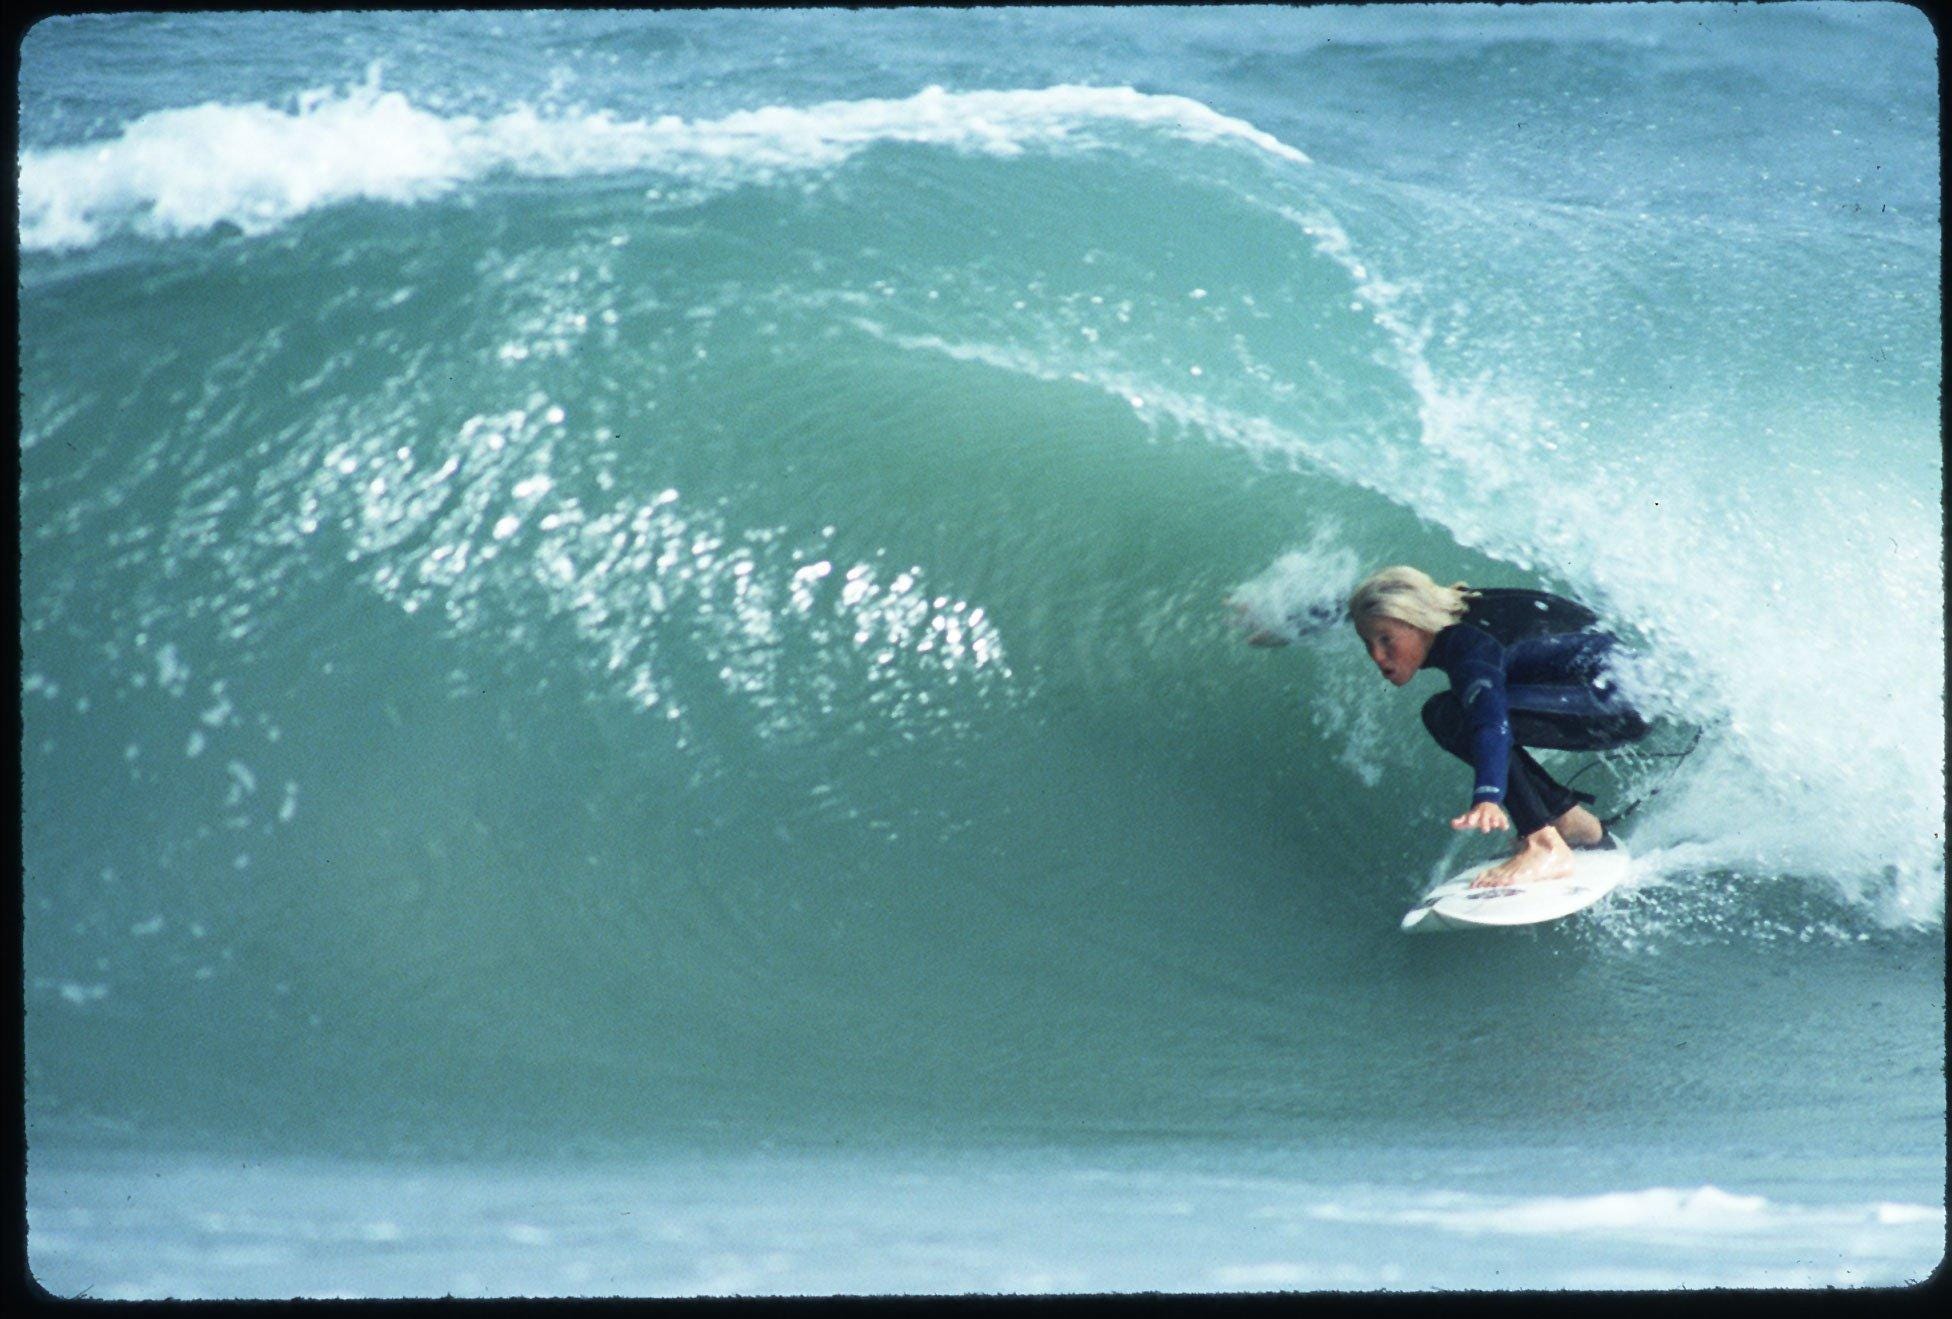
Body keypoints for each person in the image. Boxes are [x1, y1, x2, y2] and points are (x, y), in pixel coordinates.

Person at [1236, 565, 1649, 887]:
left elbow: (1490, 721)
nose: (1378, 657)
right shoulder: (1447, 607)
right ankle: (1572, 824)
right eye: (1369, 644)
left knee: (1454, 714)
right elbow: (1366, 606)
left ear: (1416, 624)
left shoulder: (1470, 649)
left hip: (1615, 703)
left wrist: (1489, 796)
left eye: (1385, 641)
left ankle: (1545, 844)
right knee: (1445, 712)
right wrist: (1287, 624)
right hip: (1610, 685)